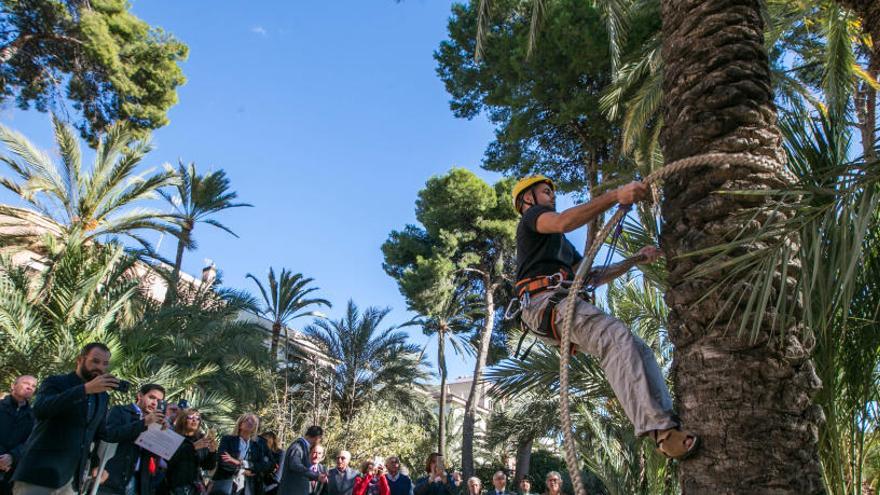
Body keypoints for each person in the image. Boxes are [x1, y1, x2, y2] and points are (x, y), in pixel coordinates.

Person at [511, 176, 699, 460]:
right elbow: (563, 221)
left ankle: (667, 421)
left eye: (552, 192)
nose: (552, 196)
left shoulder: (560, 246)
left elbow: (591, 276)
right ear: (527, 199)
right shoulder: (532, 218)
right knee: (614, 336)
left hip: (558, 304)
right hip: (544, 304)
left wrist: (635, 259)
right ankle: (660, 431)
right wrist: (616, 196)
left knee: (639, 349)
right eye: (545, 191)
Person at [12, 342, 135, 495]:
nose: (100, 368)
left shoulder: (102, 396)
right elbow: (41, 410)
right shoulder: (56, 382)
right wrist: (85, 390)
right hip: (38, 476)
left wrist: (145, 423)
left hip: (71, 482)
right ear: (80, 360)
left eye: (105, 364)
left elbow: (102, 434)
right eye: (95, 361)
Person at [96, 383, 167, 495]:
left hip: (137, 484)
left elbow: (155, 456)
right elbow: (110, 435)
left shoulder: (155, 423)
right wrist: (144, 422)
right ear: (140, 395)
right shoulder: (120, 411)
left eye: (159, 401)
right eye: (151, 397)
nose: (154, 403)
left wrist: (161, 434)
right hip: (111, 480)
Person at [213, 413, 273, 495]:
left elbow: (269, 464)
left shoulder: (260, 443)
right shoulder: (227, 439)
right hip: (227, 483)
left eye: (253, 421)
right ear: (240, 424)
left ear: (256, 426)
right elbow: (223, 461)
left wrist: (242, 463)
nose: (250, 422)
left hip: (250, 487)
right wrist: (241, 471)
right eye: (247, 420)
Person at [161, 408, 217, 495]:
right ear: (183, 419)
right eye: (190, 417)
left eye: (198, 418)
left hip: (194, 486)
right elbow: (168, 460)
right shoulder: (174, 436)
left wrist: (212, 452)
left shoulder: (201, 439)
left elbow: (208, 466)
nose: (194, 420)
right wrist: (193, 447)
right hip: (175, 485)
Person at [0, 375, 36, 495]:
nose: (29, 387)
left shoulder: (34, 417)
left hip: (11, 475)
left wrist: (12, 457)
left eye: (33, 386)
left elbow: (31, 441)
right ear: (13, 386)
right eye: (26, 383)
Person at [277, 426, 326, 495]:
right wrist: (316, 476)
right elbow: (296, 466)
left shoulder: (303, 447)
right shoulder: (297, 447)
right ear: (317, 438)